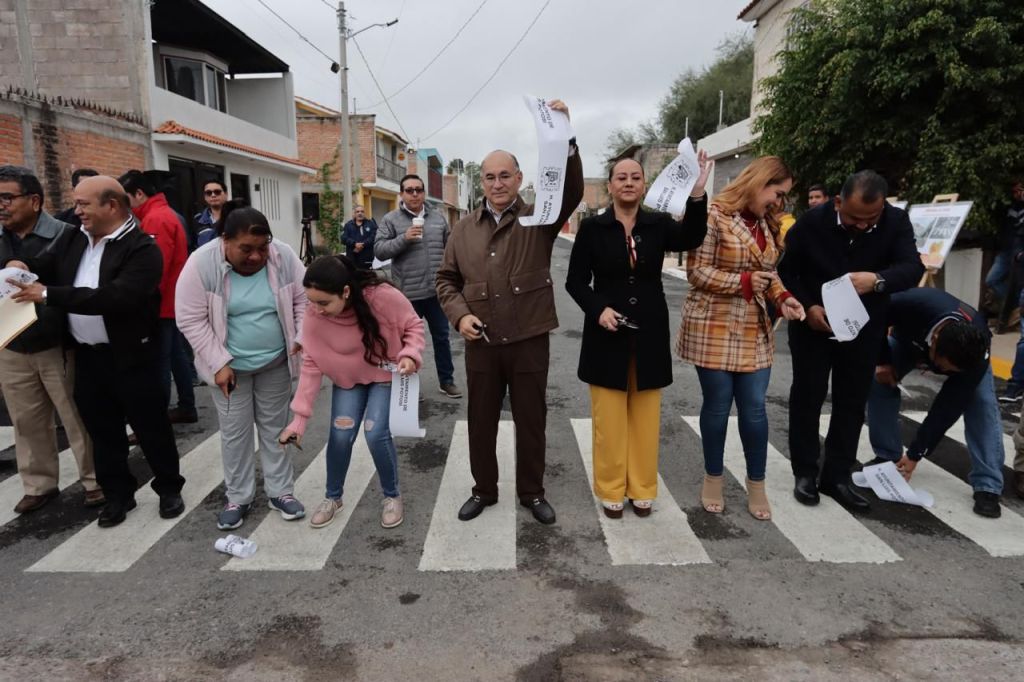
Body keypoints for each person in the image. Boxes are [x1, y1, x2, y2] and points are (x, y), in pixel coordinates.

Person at [7, 175, 185, 528]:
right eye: (76, 204)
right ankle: (118, 495)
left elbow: (118, 297)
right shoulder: (74, 237)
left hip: (133, 355)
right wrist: (24, 267)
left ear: (112, 205)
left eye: (83, 204)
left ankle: (169, 488)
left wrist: (48, 295)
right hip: (87, 356)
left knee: (151, 426)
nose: (77, 211)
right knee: (102, 431)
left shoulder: (141, 248)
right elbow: (47, 263)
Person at [436, 99, 583, 525]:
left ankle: (532, 492)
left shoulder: (541, 215)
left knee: (531, 421)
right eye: (490, 177)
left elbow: (573, 192)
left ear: (520, 179)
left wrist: (566, 138)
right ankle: (484, 490)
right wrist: (460, 316)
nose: (497, 183)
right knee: (480, 422)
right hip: (480, 342)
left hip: (528, 339)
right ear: (480, 181)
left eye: (505, 175)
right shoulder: (462, 229)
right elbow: (445, 280)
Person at [566, 154, 711, 518]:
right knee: (609, 420)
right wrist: (598, 309)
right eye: (621, 177)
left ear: (644, 184)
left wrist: (696, 195)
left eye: (635, 177)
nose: (628, 182)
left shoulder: (658, 224)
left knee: (646, 418)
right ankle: (612, 488)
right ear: (611, 185)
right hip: (606, 332)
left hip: (648, 330)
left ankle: (643, 487)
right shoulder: (592, 229)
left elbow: (693, 235)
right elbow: (575, 281)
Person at [779, 170, 924, 513]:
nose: (860, 226)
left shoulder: (895, 221)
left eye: (869, 220)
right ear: (838, 202)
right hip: (813, 327)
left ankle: (837, 476)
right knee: (807, 396)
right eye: (853, 218)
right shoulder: (811, 222)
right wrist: (808, 305)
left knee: (851, 402)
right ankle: (805, 472)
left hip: (862, 329)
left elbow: (912, 268)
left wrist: (876, 280)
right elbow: (787, 271)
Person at [678, 156, 806, 520]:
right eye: (776, 193)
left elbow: (769, 274)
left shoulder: (769, 224)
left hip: (754, 327)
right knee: (717, 406)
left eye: (783, 197)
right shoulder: (713, 215)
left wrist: (785, 299)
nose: (779, 203)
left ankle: (757, 483)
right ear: (759, 183)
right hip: (713, 325)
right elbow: (697, 271)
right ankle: (713, 478)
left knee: (754, 407)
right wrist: (746, 283)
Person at [175, 200, 307, 530]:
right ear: (225, 241)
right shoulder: (201, 263)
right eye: (246, 249)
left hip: (276, 362)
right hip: (229, 371)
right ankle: (239, 496)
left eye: (262, 248)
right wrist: (219, 363)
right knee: (235, 435)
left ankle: (281, 491)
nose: (256, 257)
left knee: (276, 428)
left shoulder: (283, 256)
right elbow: (190, 319)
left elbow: (304, 300)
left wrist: (300, 338)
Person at [278, 255, 425, 529]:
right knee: (341, 434)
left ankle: (392, 496)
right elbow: (311, 363)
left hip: (384, 375)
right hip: (348, 380)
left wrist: (410, 355)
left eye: (323, 302)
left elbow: (413, 326)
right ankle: (333, 497)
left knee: (375, 433)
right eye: (311, 301)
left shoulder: (382, 297)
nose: (316, 309)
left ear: (345, 292)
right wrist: (298, 420)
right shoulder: (315, 314)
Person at [0, 165, 101, 513]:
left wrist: (25, 266)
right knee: (26, 419)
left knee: (75, 415)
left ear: (34, 200)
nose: (2, 205)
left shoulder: (66, 234)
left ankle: (94, 479)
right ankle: (39, 484)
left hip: (56, 341)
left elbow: (76, 283)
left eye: (7, 198)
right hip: (11, 342)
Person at [867, 288, 1002, 518]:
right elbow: (874, 317)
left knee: (982, 403)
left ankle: (988, 484)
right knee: (879, 382)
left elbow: (947, 407)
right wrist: (882, 361)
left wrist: (916, 453)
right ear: (936, 341)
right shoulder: (913, 302)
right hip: (909, 340)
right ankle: (887, 455)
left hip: (956, 354)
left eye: (950, 372)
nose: (943, 374)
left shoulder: (976, 353)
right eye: (944, 367)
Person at [119, 170, 195, 424]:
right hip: (171, 301)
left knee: (160, 362)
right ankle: (185, 405)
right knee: (175, 356)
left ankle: (158, 418)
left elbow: (155, 270)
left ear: (139, 194)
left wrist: (144, 304)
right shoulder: (164, 214)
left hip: (162, 303)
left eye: (125, 198)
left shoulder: (155, 219)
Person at [374, 174, 461, 398]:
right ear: (401, 194)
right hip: (406, 294)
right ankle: (409, 387)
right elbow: (380, 250)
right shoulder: (391, 220)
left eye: (418, 190)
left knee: (442, 337)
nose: (414, 194)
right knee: (406, 343)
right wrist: (404, 238)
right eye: (409, 190)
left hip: (436, 291)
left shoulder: (438, 218)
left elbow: (450, 248)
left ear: (424, 193)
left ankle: (447, 381)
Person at [984, 180, 1024, 316]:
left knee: (1019, 283)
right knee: (992, 279)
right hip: (1006, 251)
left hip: (1019, 252)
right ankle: (1014, 305)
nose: (1017, 194)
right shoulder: (1011, 206)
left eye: (1020, 190)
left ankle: (1017, 309)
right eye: (1015, 191)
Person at [342, 205, 378, 270]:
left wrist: (362, 244)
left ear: (364, 213)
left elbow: (374, 237)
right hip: (352, 258)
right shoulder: (348, 225)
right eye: (357, 212)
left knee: (367, 278)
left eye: (362, 211)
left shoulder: (371, 224)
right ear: (355, 214)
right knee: (353, 278)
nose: (360, 213)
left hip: (367, 258)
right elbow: (344, 238)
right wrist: (354, 244)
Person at [194, 179, 227, 249]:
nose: (213, 195)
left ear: (226, 194)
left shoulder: (236, 217)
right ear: (205, 197)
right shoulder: (198, 220)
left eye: (217, 192)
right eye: (209, 193)